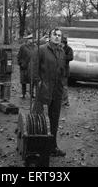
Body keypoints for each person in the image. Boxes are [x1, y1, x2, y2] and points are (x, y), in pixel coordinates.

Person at [32, 27, 66, 157]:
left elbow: (63, 70)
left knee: (54, 119)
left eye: (59, 35)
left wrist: (62, 84)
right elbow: (34, 68)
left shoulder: (61, 51)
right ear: (50, 36)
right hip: (44, 88)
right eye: (55, 35)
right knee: (38, 116)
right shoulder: (41, 50)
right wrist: (38, 83)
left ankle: (53, 147)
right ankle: (35, 146)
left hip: (57, 89)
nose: (57, 37)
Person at [17, 34, 37, 99]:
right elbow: (19, 56)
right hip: (24, 66)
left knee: (32, 81)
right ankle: (23, 93)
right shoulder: (23, 47)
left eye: (32, 39)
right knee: (23, 81)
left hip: (32, 66)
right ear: (27, 39)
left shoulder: (35, 47)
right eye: (30, 39)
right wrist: (21, 63)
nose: (31, 40)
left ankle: (31, 93)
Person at [61, 36, 74, 107]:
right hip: (59, 70)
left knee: (64, 87)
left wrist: (62, 57)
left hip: (65, 70)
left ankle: (65, 101)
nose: (62, 44)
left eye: (63, 42)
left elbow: (71, 57)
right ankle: (62, 100)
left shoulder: (69, 49)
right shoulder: (59, 48)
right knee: (60, 86)